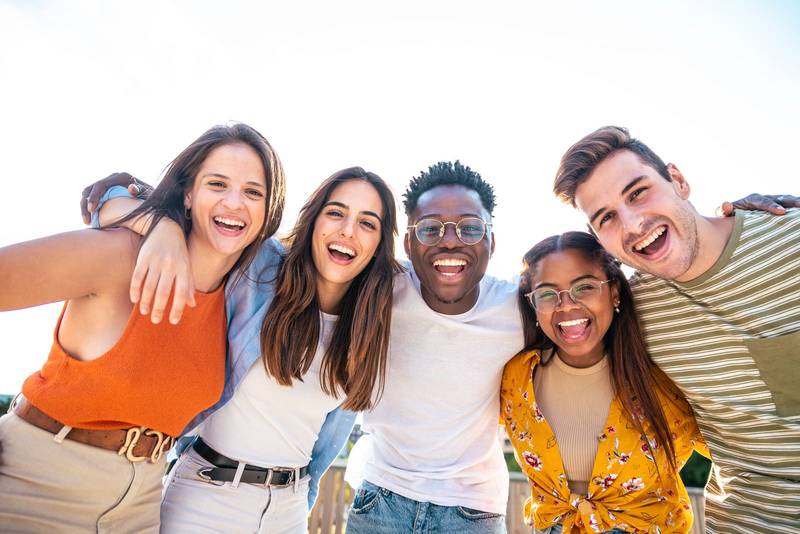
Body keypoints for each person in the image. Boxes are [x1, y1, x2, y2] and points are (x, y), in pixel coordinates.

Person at [0, 122, 285, 532]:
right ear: (188, 194)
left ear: (268, 210)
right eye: (217, 184)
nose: (234, 203)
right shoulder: (119, 254)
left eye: (253, 192)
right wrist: (155, 222)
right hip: (38, 485)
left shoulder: (241, 300)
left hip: (142, 505)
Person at [86, 166, 401, 533]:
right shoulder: (261, 268)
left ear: (379, 242)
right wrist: (160, 225)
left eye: (367, 223)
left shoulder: (367, 325)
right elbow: (132, 203)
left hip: (289, 511)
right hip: (207, 496)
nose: (347, 230)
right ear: (314, 221)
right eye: (336, 213)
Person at [553, 126, 800, 533]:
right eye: (607, 218)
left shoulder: (788, 239)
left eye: (638, 192)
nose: (633, 224)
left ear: (678, 181)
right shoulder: (632, 313)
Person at [345, 161, 524, 534]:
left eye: (470, 227)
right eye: (430, 228)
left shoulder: (520, 309)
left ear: (492, 239)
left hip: (473, 512)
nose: (450, 240)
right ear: (408, 242)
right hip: (381, 500)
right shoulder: (378, 292)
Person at [502, 231, 709, 533]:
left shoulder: (665, 378)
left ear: (614, 293)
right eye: (547, 293)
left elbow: (741, 446)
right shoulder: (516, 378)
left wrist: (738, 217)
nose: (566, 305)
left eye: (584, 287)